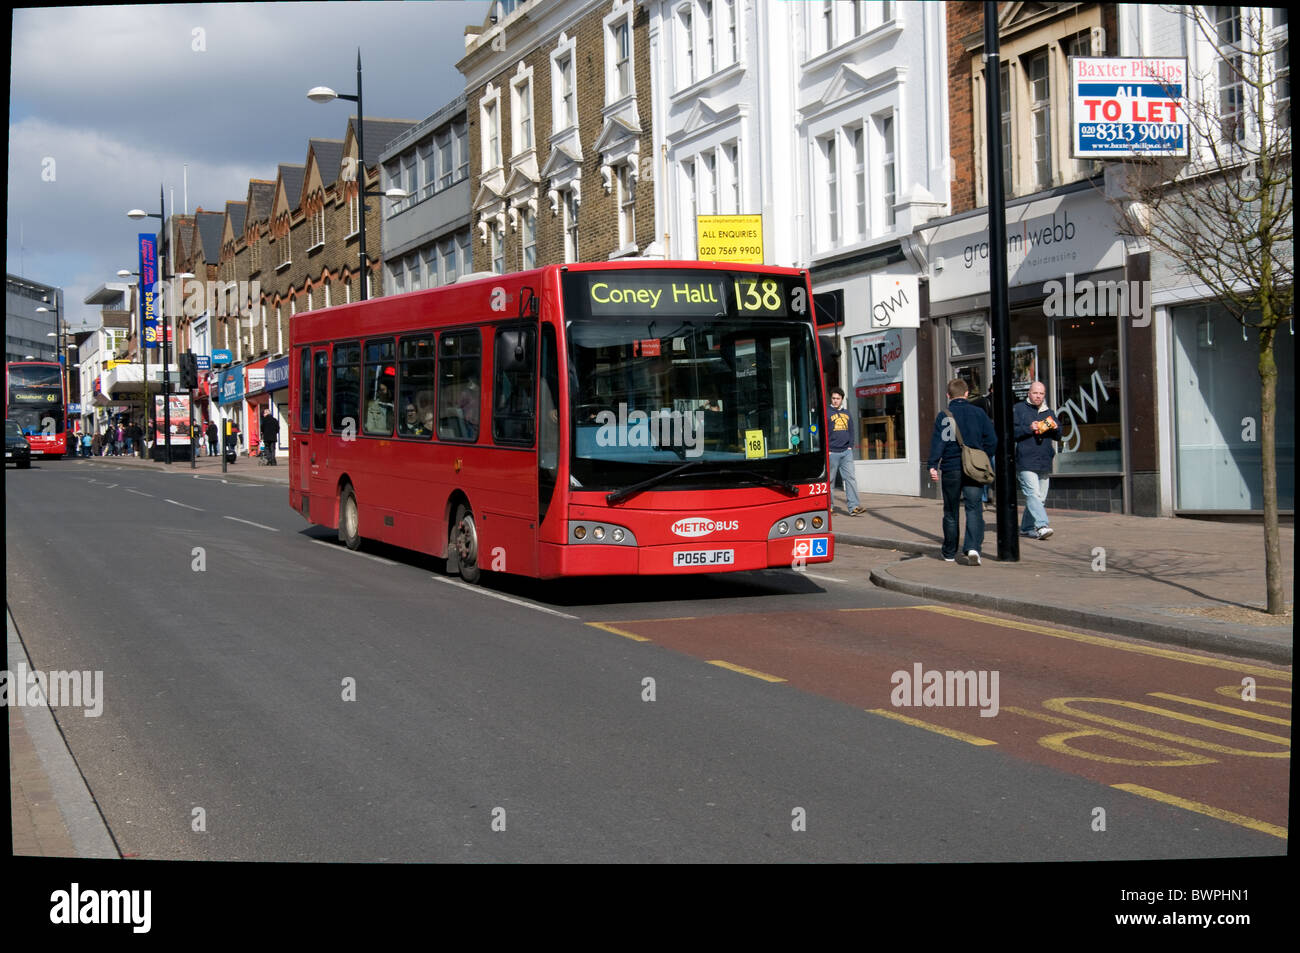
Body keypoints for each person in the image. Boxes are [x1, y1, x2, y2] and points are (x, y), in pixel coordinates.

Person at [927, 378, 997, 566]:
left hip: (951, 469)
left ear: (948, 395)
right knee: (974, 508)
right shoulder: (979, 413)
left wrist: (933, 465)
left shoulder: (945, 416)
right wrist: (981, 456)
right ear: (967, 394)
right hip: (974, 469)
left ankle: (950, 552)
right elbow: (992, 440)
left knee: (950, 511)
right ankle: (973, 548)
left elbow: (938, 442)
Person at [1013, 380, 1061, 540]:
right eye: (1035, 393)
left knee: (1039, 498)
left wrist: (1055, 428)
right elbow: (1011, 432)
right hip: (1026, 460)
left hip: (1044, 460)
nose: (1038, 396)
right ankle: (1042, 525)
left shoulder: (1049, 412)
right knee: (1033, 494)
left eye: (1041, 394)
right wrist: (1029, 428)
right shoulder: (1019, 409)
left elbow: (1059, 435)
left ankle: (1026, 528)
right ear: (1029, 393)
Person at [827, 387, 864, 516]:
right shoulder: (826, 412)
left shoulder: (847, 413)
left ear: (842, 399)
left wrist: (850, 446)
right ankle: (829, 507)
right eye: (833, 398)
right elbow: (822, 433)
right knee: (830, 481)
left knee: (850, 478)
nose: (836, 401)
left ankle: (853, 507)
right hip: (832, 452)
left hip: (846, 452)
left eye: (838, 398)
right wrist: (828, 450)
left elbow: (851, 430)